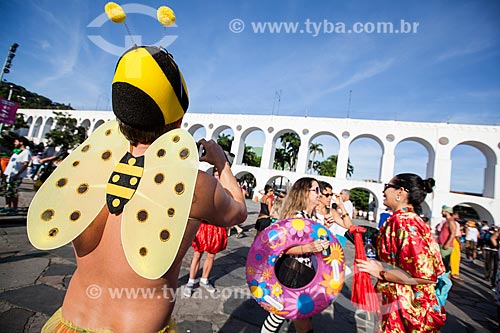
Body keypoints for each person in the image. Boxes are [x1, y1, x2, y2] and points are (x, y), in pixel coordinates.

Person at [32, 45, 247, 333]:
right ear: (179, 120)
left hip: (69, 320)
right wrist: (221, 164)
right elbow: (238, 212)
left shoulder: (89, 167)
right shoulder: (193, 184)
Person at [354, 173, 446, 332]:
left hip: (405, 309)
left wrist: (381, 273)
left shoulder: (404, 222)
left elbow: (425, 276)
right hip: (397, 304)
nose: (384, 191)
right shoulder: (405, 219)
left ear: (400, 192)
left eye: (387, 186)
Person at [261, 177, 335, 333]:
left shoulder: (311, 218)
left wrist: (325, 228)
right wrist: (307, 247)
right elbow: (281, 248)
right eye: (316, 190)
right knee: (286, 315)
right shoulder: (297, 217)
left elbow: (316, 243)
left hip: (305, 273)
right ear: (304, 193)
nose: (320, 195)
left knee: (285, 315)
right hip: (292, 271)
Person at [184, 168, 228, 297]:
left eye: (219, 176)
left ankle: (204, 279)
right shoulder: (206, 188)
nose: (217, 178)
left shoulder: (225, 191)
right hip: (204, 225)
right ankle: (191, 281)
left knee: (211, 255)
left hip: (217, 226)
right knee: (197, 254)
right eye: (215, 175)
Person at [1, 137, 31, 216]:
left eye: (16, 141)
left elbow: (25, 164)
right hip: (8, 175)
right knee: (7, 191)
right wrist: (5, 174)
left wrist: (17, 174)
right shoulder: (16, 152)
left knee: (13, 192)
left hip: (16, 176)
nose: (14, 143)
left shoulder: (26, 152)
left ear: (21, 143)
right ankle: (7, 206)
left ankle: (14, 208)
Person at [436, 205, 457, 272]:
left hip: (445, 245)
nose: (441, 213)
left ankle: (446, 280)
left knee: (444, 265)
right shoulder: (446, 221)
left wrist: (447, 244)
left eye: (442, 211)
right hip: (441, 244)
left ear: (446, 212)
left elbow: (453, 233)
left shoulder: (451, 221)